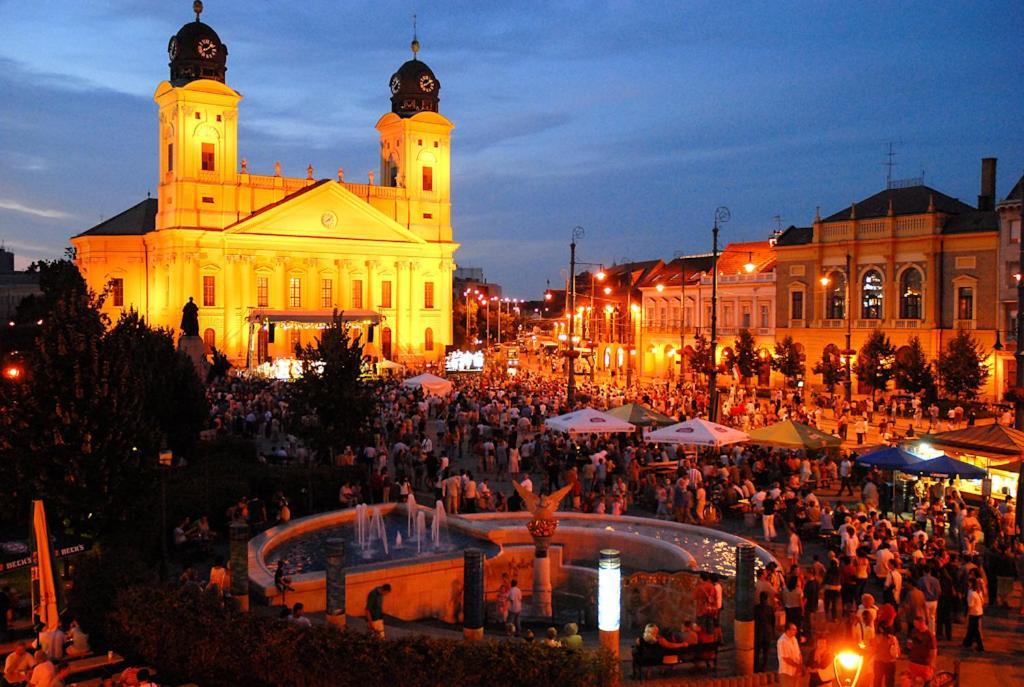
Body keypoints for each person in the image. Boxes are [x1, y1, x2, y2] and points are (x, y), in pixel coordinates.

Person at [905, 616, 936, 684]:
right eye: (914, 623)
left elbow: (933, 650)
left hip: (924, 664)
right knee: (911, 682)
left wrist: (932, 663)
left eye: (916, 623)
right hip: (913, 662)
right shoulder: (914, 631)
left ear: (922, 623)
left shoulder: (929, 635)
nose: (914, 625)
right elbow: (909, 643)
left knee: (926, 682)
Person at [776, 623, 803, 687]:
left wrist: (800, 666)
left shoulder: (794, 639)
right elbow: (786, 658)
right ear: (788, 631)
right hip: (786, 673)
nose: (796, 631)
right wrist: (798, 666)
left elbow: (799, 653)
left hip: (795, 672)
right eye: (794, 629)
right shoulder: (782, 641)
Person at [754, 592, 775, 673]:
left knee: (757, 651)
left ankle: (756, 667)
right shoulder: (770, 609)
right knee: (765, 652)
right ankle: (763, 667)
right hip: (767, 633)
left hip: (759, 633)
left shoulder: (756, 608)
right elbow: (773, 621)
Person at [962, 578, 985, 651]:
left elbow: (970, 605)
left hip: (974, 613)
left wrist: (967, 615)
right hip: (979, 612)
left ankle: (980, 646)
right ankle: (967, 642)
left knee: (975, 630)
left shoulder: (971, 593)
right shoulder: (978, 591)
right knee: (971, 628)